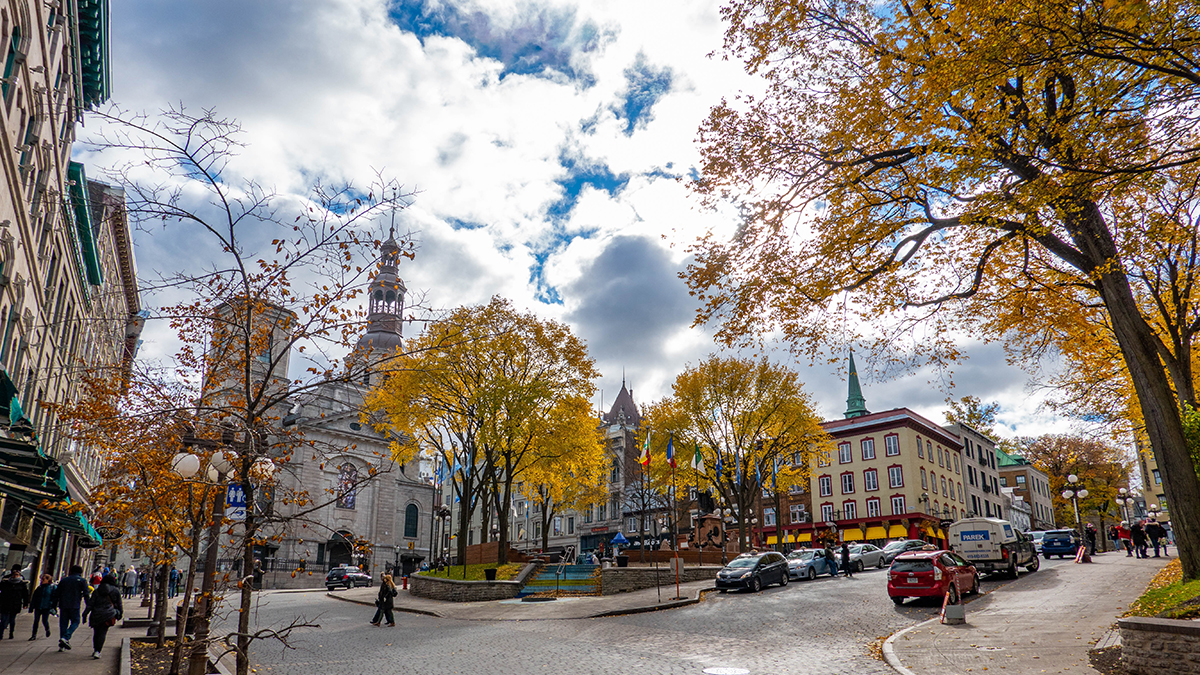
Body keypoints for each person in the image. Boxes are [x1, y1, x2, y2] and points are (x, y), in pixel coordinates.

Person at [82, 573, 122, 660]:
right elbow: (119, 604)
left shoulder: (97, 591)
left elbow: (91, 604)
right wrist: (120, 614)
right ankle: (98, 651)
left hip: (96, 614)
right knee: (103, 633)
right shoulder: (116, 591)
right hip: (108, 614)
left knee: (96, 633)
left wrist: (85, 614)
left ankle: (95, 649)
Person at [54, 564, 89, 651]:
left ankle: (62, 645)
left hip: (63, 604)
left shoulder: (64, 580)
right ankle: (66, 637)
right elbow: (86, 594)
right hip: (75, 605)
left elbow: (57, 593)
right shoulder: (82, 581)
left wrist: (54, 605)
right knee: (76, 621)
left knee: (63, 624)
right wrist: (89, 605)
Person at [0, 565, 29, 639]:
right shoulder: (6, 580)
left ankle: (11, 632)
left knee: (12, 620)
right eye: (14, 574)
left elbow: (25, 594)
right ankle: (1, 634)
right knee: (3, 619)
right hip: (5, 603)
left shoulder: (22, 583)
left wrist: (25, 603)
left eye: (17, 574)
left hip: (15, 604)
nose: (15, 575)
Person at [28, 573, 56, 640]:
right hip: (38, 606)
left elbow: (54, 598)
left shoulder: (51, 588)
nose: (42, 581)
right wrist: (31, 607)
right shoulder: (39, 588)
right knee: (36, 621)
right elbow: (34, 598)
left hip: (46, 607)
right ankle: (34, 635)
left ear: (48, 580)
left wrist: (52, 606)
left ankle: (47, 629)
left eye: (43, 579)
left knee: (44, 620)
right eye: (41, 579)